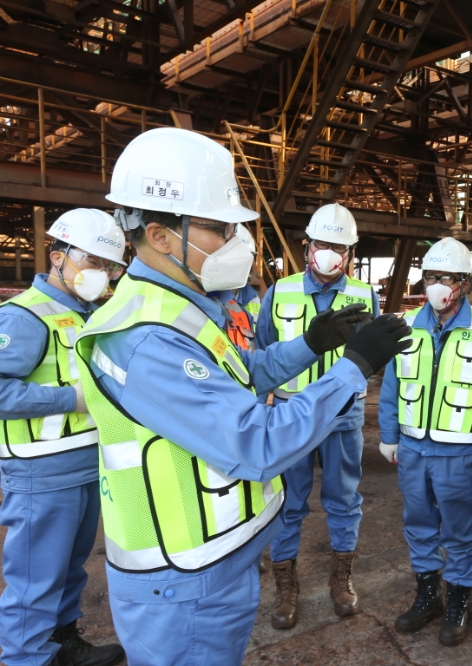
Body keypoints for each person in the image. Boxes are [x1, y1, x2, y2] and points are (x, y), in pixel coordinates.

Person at [74, 127, 410, 666]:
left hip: (211, 564)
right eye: (220, 228)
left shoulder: (176, 308)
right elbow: (256, 443)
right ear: (161, 235)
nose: (237, 241)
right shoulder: (147, 339)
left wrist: (309, 345)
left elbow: (242, 373)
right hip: (183, 580)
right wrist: (354, 368)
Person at [0, 209, 127, 666]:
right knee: (35, 577)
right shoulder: (24, 316)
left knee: (70, 568)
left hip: (88, 463)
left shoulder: (90, 314)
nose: (101, 273)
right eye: (92, 261)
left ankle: (63, 643)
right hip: (41, 470)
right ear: (58, 257)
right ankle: (25, 657)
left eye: (109, 266)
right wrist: (70, 399)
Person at [377, 237, 472, 647]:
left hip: (459, 451)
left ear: (465, 283)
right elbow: (391, 386)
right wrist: (388, 435)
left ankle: (458, 601)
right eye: (431, 276)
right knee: (417, 524)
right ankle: (428, 595)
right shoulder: (405, 324)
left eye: (446, 278)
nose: (437, 285)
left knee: (459, 529)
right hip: (413, 448)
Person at [254, 203, 379, 628]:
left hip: (343, 416)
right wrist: (262, 410)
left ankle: (341, 579)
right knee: (288, 502)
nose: (330, 253)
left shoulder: (365, 295)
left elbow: (373, 352)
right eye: (322, 244)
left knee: (344, 500)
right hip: (291, 415)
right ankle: (285, 585)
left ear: (350, 252)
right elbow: (263, 354)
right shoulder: (280, 292)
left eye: (339, 247)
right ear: (307, 246)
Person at [221, 224, 259, 352]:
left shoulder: (254, 299)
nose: (242, 264)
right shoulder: (210, 296)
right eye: (237, 258)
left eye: (247, 258)